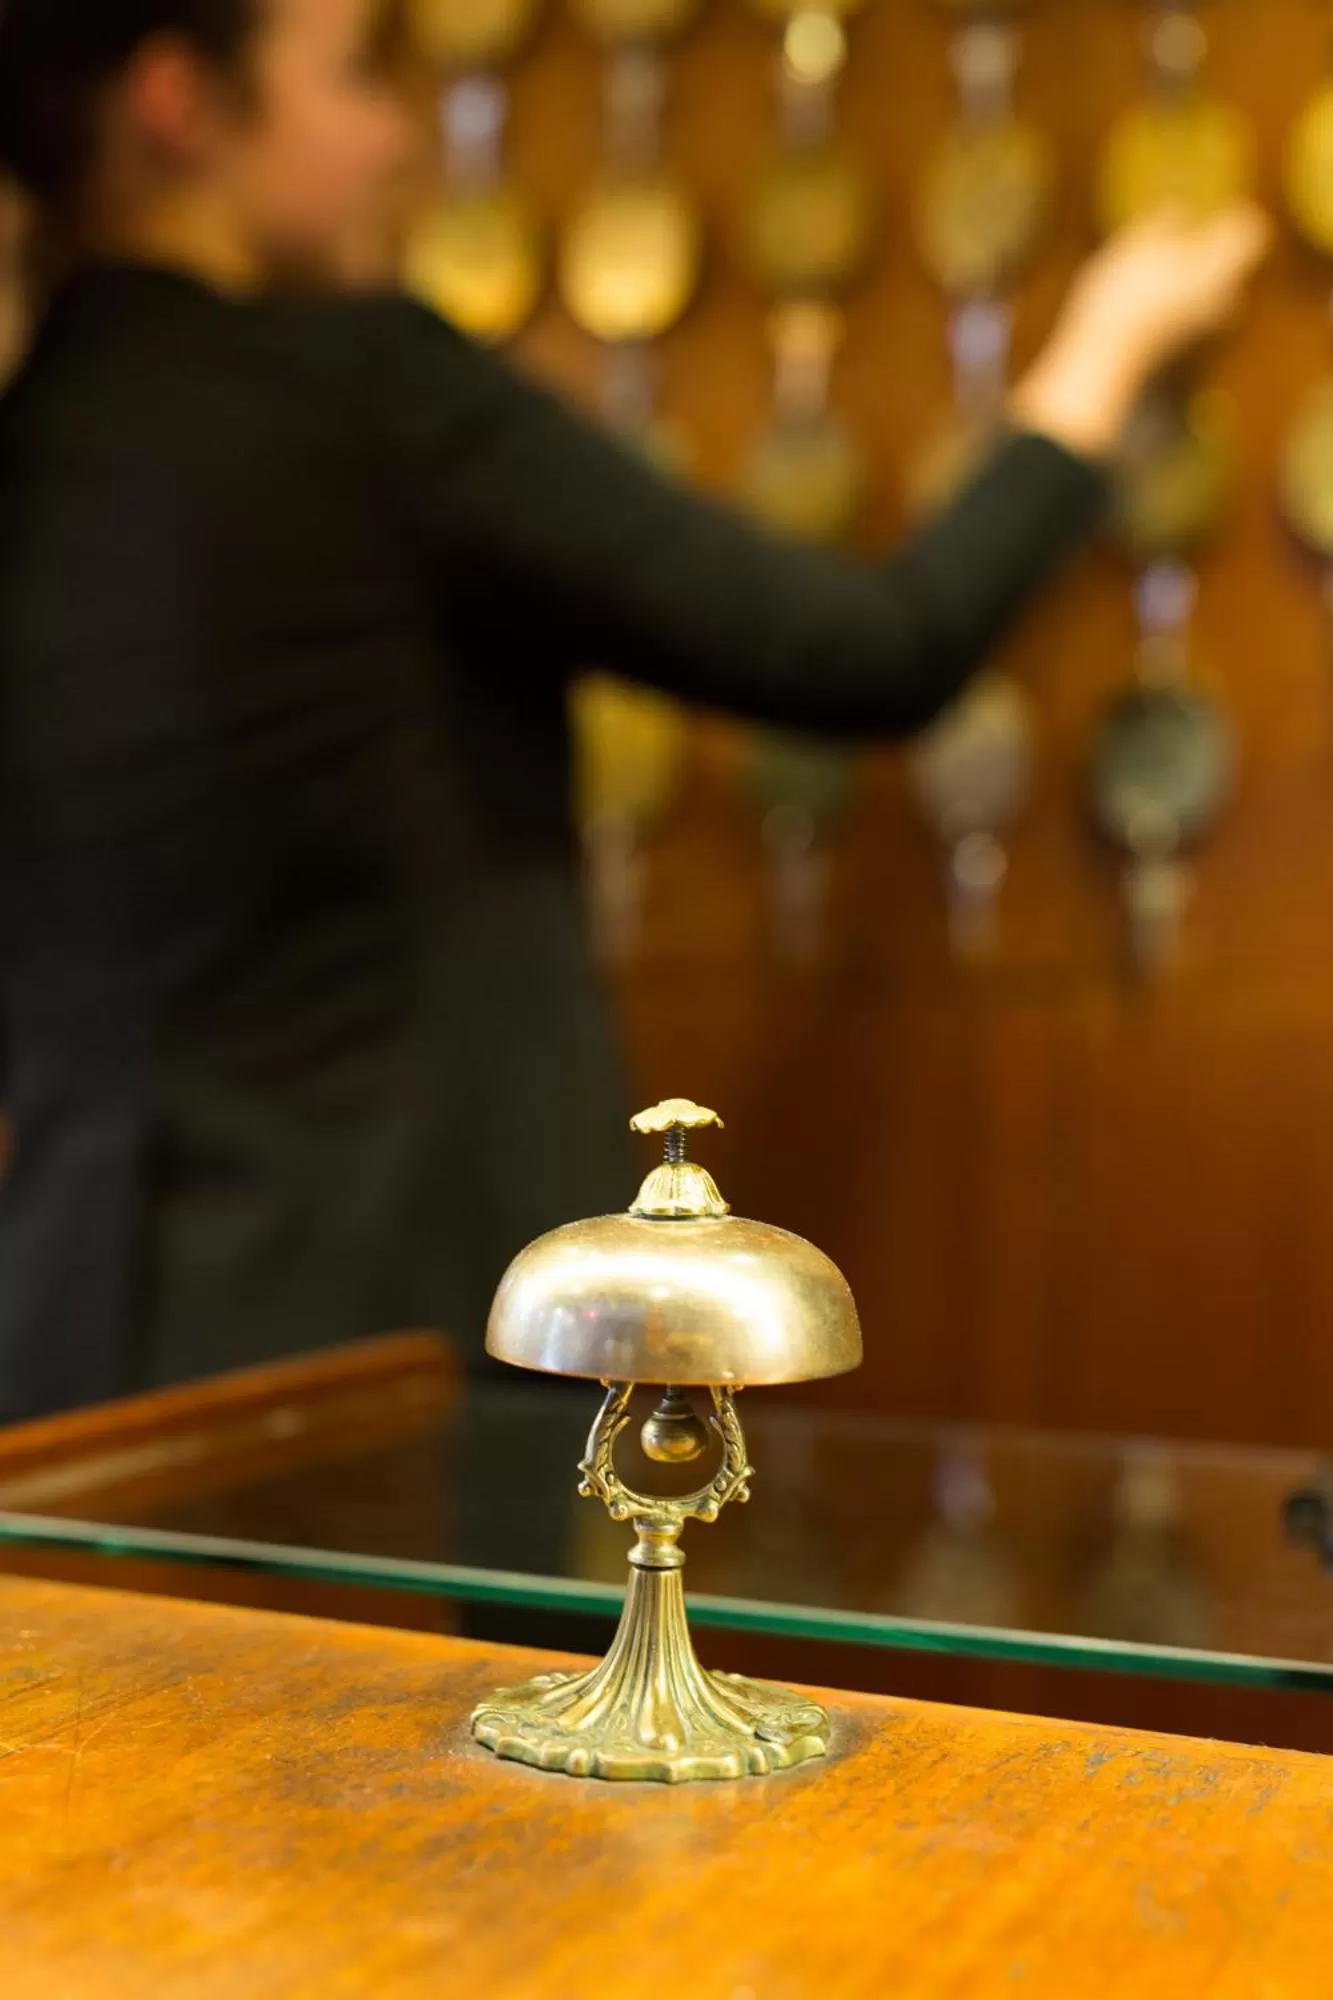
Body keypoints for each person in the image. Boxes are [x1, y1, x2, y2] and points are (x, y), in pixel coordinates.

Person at [0, 0, 1267, 1419]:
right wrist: (1103, 353)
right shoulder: (360, 397)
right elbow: (866, 649)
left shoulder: (35, 431)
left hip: (56, 1337)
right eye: (355, 75)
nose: (398, 134)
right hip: (371, 1360)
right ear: (178, 104)